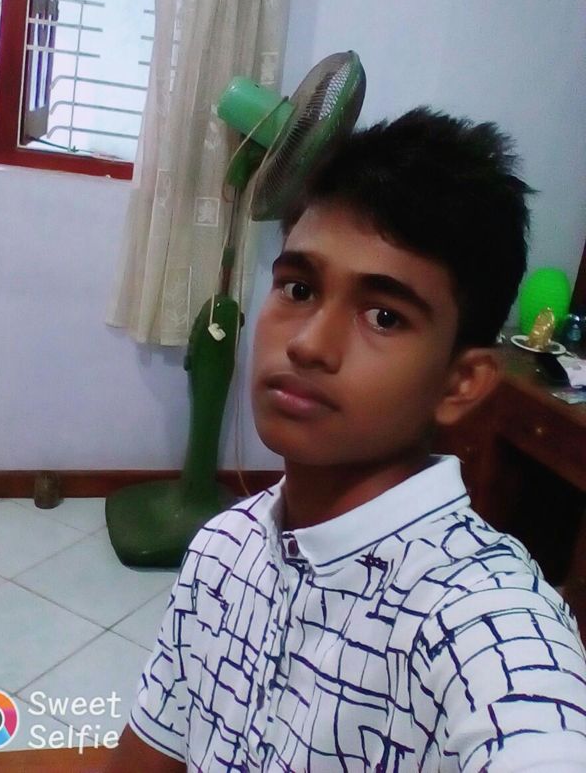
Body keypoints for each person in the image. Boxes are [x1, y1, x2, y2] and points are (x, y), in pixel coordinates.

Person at [106, 108, 586, 771]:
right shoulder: (222, 548)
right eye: (298, 288)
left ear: (462, 382)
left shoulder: (484, 624)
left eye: (384, 315)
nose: (308, 343)